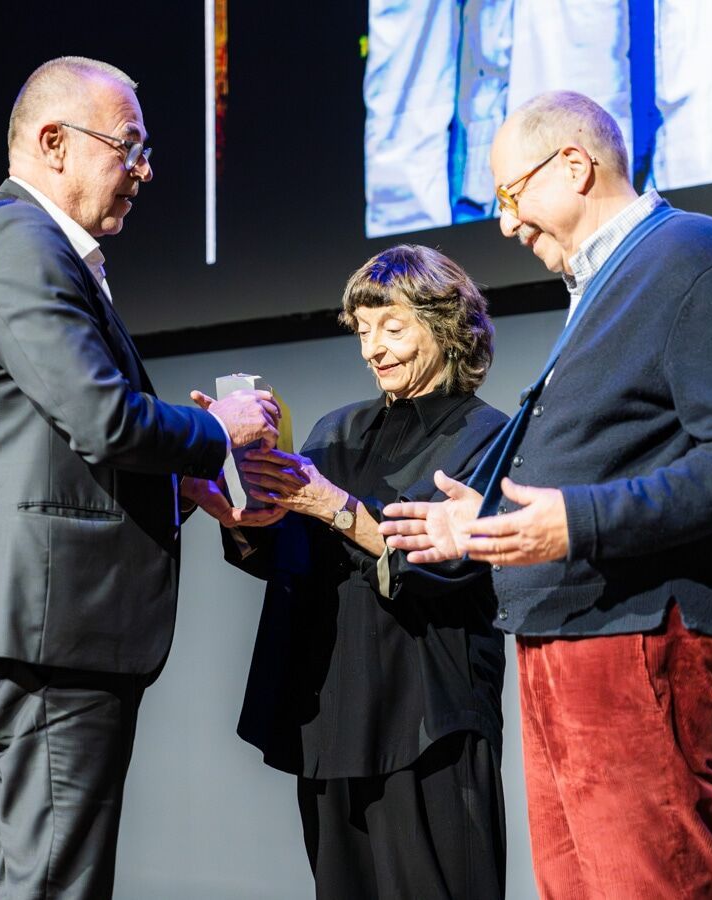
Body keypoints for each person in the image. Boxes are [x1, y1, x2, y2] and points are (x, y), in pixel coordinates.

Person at [380, 91, 712, 898]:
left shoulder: (693, 255)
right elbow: (604, 455)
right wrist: (488, 523)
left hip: (635, 634)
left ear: (575, 164)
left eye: (510, 195)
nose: (505, 224)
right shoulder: (609, 281)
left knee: (648, 883)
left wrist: (578, 524)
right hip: (568, 633)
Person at [0, 56, 279, 899]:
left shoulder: (28, 246)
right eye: (130, 146)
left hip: (60, 624)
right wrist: (217, 435)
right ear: (54, 142)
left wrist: (183, 488)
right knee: (56, 883)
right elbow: (104, 418)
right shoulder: (19, 243)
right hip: (53, 627)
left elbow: (74, 447)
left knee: (57, 877)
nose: (145, 170)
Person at [224, 245, 510, 899]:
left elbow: (449, 568)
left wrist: (334, 505)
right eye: (361, 330)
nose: (371, 349)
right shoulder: (335, 430)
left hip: (427, 722)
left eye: (391, 326)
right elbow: (286, 558)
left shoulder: (486, 436)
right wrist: (242, 495)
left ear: (443, 324)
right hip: (328, 717)